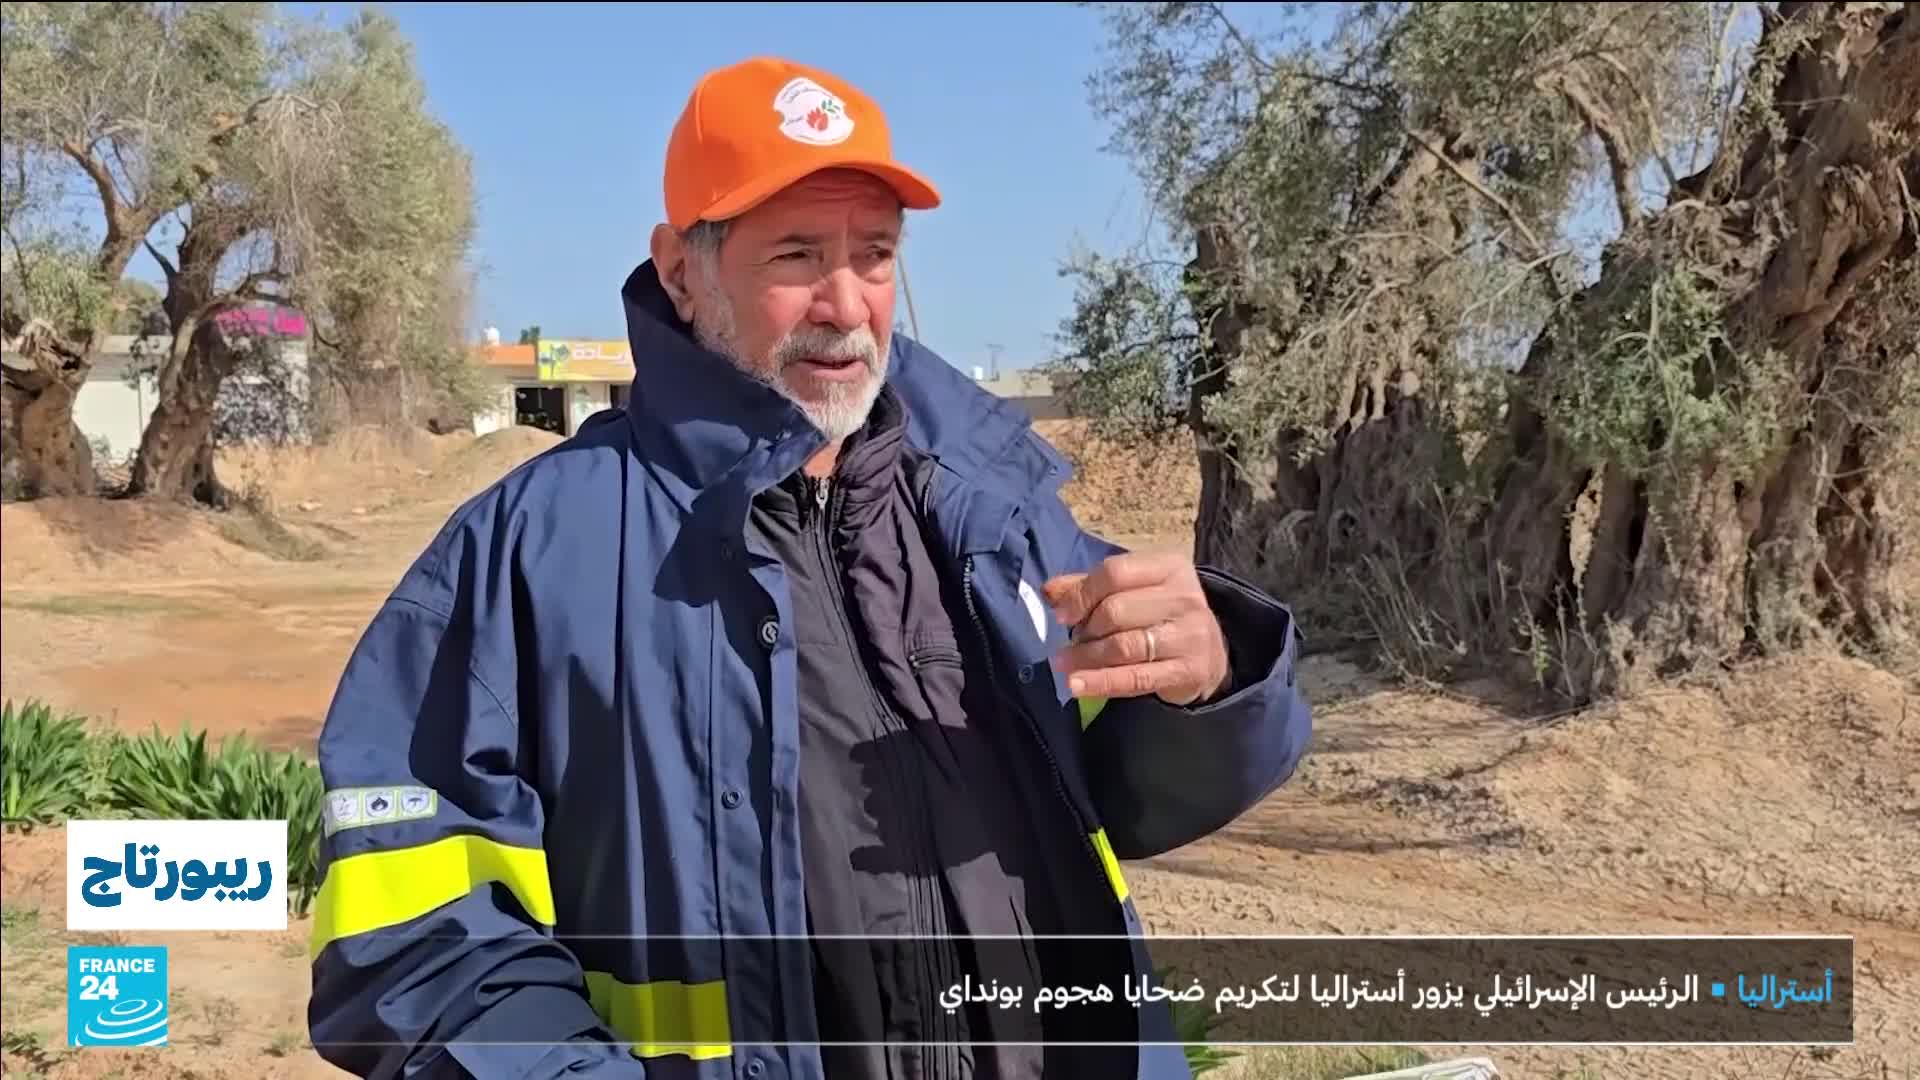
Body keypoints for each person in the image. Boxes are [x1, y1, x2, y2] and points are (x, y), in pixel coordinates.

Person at [306, 56, 1312, 1080]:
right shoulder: (524, 555)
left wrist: (1209, 682)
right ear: (681, 269)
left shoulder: (996, 514)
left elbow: (1131, 791)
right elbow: (413, 943)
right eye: (796, 255)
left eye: (874, 255)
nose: (845, 302)